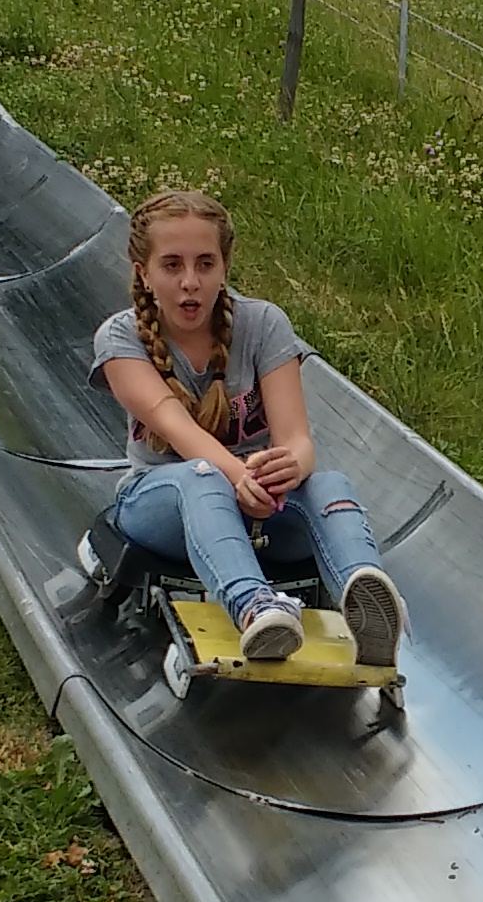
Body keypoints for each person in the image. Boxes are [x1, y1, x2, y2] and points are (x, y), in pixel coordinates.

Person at [93, 188, 405, 666]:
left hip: (260, 503)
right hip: (163, 505)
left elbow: (297, 439)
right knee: (200, 477)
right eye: (172, 266)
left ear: (225, 267)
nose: (190, 282)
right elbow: (178, 429)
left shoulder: (263, 325)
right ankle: (256, 609)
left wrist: (286, 468)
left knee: (329, 484)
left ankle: (368, 600)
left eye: (205, 264)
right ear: (145, 273)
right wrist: (239, 477)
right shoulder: (121, 337)